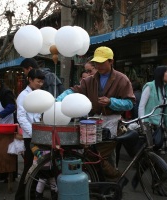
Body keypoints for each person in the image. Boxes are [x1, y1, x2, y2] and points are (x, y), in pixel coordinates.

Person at [56, 46, 135, 184]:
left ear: (111, 61)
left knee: (97, 155)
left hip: (113, 124)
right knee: (95, 155)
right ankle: (108, 184)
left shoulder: (122, 79)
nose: (99, 66)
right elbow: (74, 90)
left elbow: (130, 103)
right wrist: (57, 101)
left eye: (102, 62)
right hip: (93, 123)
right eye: (97, 63)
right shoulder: (89, 80)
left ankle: (115, 180)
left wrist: (111, 102)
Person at [15, 69, 52, 200]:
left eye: (42, 81)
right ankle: (21, 196)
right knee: (30, 167)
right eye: (38, 81)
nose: (40, 84)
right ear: (30, 80)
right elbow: (21, 117)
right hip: (30, 137)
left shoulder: (38, 94)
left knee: (38, 167)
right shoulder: (23, 96)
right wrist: (33, 134)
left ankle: (30, 195)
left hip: (38, 135)